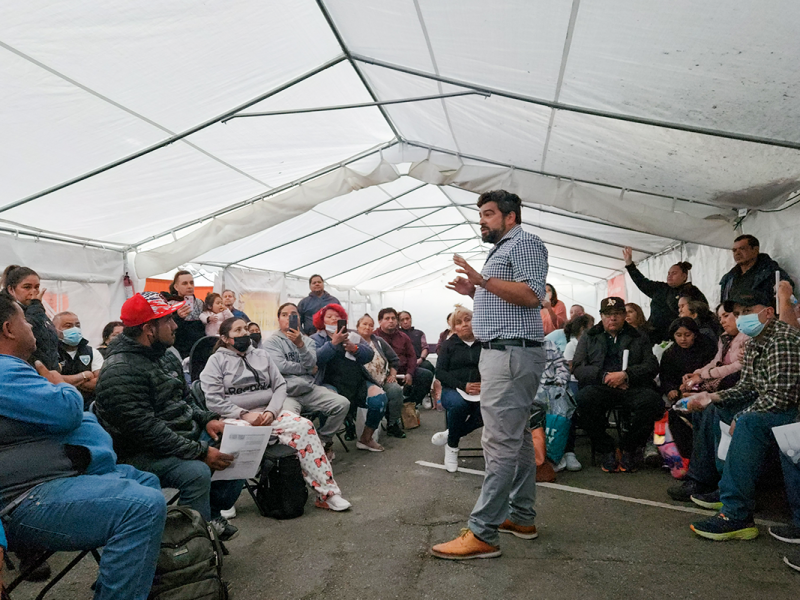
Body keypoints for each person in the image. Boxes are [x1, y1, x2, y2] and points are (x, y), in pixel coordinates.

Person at [0, 293, 167, 600]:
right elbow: (67, 411)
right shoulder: (4, 370)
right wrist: (60, 384)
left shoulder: (14, 369)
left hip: (52, 480)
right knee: (142, 506)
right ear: (9, 329)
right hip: (24, 500)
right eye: (24, 320)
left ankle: (126, 580)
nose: (32, 327)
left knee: (146, 480)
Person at [432, 189, 547, 560]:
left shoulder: (524, 243)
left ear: (510, 217)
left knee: (498, 443)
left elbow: (531, 295)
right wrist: (475, 292)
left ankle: (483, 532)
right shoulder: (503, 249)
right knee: (519, 439)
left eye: (489, 213)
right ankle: (521, 517)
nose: (481, 220)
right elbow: (508, 300)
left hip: (510, 355)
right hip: (507, 352)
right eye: (480, 214)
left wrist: (482, 282)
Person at [95, 292, 241, 541]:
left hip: (176, 437)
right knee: (197, 472)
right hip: (141, 452)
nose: (175, 326)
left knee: (235, 442)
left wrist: (208, 419)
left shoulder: (164, 355)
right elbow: (146, 431)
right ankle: (192, 544)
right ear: (149, 329)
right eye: (168, 320)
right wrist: (199, 451)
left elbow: (185, 401)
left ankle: (210, 517)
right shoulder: (120, 370)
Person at [200, 317, 352, 511]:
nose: (244, 333)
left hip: (268, 413)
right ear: (225, 338)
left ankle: (327, 494)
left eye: (245, 328)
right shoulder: (216, 361)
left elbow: (280, 386)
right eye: (238, 330)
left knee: (304, 426)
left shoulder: (261, 355)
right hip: (236, 417)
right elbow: (213, 399)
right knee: (236, 437)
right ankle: (225, 501)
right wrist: (244, 414)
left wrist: (271, 411)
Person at [688, 290, 800, 541]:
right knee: (718, 409)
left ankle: (736, 513)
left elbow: (781, 397)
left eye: (747, 312)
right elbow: (747, 387)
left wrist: (741, 416)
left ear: (768, 312)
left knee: (748, 422)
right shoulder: (754, 342)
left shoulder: (782, 340)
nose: (741, 318)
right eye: (738, 313)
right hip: (778, 408)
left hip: (793, 414)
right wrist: (713, 397)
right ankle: (727, 490)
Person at [667, 304, 747, 503]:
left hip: (737, 392)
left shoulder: (748, 339)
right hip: (722, 387)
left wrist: (702, 380)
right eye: (721, 317)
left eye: (728, 315)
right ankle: (695, 468)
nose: (723, 321)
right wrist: (696, 375)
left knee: (708, 411)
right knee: (679, 409)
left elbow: (737, 369)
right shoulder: (725, 338)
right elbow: (716, 362)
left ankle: (702, 478)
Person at [573, 297, 663, 473]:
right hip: (601, 385)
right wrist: (604, 376)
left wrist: (626, 375)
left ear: (623, 316)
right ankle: (606, 447)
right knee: (583, 399)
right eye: (608, 314)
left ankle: (629, 447)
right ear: (601, 316)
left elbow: (651, 365)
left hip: (632, 386)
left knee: (653, 402)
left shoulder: (638, 336)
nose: (612, 318)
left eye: (617, 314)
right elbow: (578, 367)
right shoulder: (589, 336)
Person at [262, 303, 352, 456]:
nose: (289, 318)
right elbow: (281, 366)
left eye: (294, 315)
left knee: (342, 404)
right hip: (286, 393)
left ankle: (322, 439)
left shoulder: (308, 341)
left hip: (309, 389)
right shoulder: (271, 342)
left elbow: (312, 362)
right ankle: (296, 454)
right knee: (291, 422)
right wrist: (307, 368)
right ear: (278, 319)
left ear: (299, 319)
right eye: (284, 315)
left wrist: (300, 345)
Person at [310, 304, 385, 452]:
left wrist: (355, 348)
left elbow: (369, 354)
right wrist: (333, 343)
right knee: (328, 402)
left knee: (379, 398)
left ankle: (366, 438)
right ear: (322, 320)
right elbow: (315, 359)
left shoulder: (352, 335)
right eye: (329, 317)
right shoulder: (316, 338)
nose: (334, 319)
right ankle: (327, 444)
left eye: (337, 316)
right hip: (329, 383)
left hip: (356, 381)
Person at [430, 306, 483, 472]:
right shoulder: (448, 345)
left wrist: (484, 385)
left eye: (468, 320)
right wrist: (463, 385)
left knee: (491, 408)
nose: (464, 324)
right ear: (454, 328)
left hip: (481, 390)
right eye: (459, 322)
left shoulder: (484, 343)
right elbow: (440, 372)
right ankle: (452, 447)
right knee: (459, 405)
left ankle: (451, 434)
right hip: (453, 389)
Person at [622, 248, 708, 344]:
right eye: (668, 273)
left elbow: (703, 313)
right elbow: (641, 282)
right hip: (653, 335)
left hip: (677, 338)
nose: (669, 276)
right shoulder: (660, 288)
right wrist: (630, 265)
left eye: (674, 273)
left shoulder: (692, 292)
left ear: (684, 276)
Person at [356, 314, 406, 439]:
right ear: (357, 326)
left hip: (382, 380)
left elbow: (394, 359)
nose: (367, 327)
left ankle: (392, 424)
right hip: (362, 383)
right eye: (364, 324)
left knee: (395, 390)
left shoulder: (378, 341)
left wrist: (392, 375)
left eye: (371, 325)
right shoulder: (351, 341)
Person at [0, 265, 60, 370]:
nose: (33, 292)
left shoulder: (36, 310)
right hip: (21, 370)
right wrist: (36, 305)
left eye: (36, 287)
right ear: (11, 289)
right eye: (27, 287)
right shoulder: (5, 310)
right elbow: (28, 332)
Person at [373, 308, 434, 408]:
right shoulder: (374, 337)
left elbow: (412, 356)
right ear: (380, 321)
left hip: (403, 371)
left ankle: (409, 404)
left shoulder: (403, 337)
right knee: (393, 389)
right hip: (383, 374)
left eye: (393, 318)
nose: (391, 321)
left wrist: (410, 373)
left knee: (426, 375)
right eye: (387, 318)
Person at [720, 234, 793, 304]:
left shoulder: (771, 272)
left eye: (742, 249)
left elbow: (786, 294)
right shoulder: (729, 278)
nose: (737, 253)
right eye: (734, 250)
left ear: (755, 250)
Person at [53, 311, 104, 409]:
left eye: (77, 325)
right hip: (58, 407)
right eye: (68, 326)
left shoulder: (92, 352)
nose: (74, 329)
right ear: (55, 329)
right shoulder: (50, 353)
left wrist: (66, 380)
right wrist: (83, 376)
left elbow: (100, 383)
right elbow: (48, 380)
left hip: (88, 407)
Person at [161, 270, 206, 359]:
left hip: (199, 350)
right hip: (179, 351)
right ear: (176, 287)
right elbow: (166, 330)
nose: (189, 286)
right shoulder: (170, 304)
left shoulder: (200, 303)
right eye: (185, 283)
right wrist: (178, 317)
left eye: (191, 283)